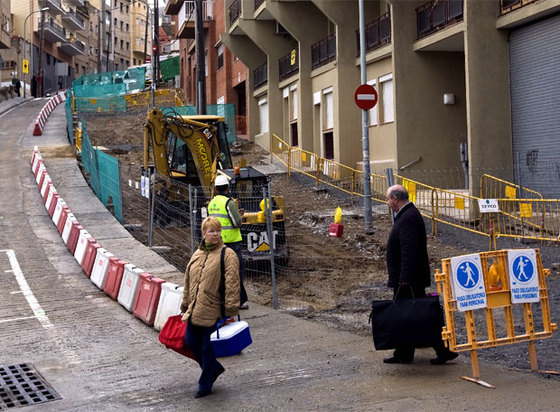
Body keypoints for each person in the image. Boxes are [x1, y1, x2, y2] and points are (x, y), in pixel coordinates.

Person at [384, 184, 458, 365]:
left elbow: (409, 250)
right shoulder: (408, 214)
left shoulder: (407, 217)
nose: (387, 203)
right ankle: (404, 352)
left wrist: (404, 279)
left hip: (409, 280)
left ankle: (443, 350)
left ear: (395, 199)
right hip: (409, 278)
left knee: (419, 316)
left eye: (388, 199)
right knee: (408, 316)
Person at [180, 216, 240, 398]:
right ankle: (213, 368)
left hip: (214, 309)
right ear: (204, 233)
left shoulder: (227, 254)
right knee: (190, 341)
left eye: (218, 231)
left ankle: (205, 384)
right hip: (195, 308)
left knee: (207, 346)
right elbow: (188, 280)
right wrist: (185, 303)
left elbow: (232, 282)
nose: (215, 234)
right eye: (211, 231)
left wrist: (231, 308)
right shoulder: (197, 254)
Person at [208, 174, 249, 308]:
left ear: (215, 188)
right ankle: (237, 300)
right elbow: (236, 222)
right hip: (231, 242)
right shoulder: (228, 203)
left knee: (221, 271)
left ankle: (223, 299)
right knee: (235, 271)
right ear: (227, 188)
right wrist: (239, 215)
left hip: (216, 242)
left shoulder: (211, 203)